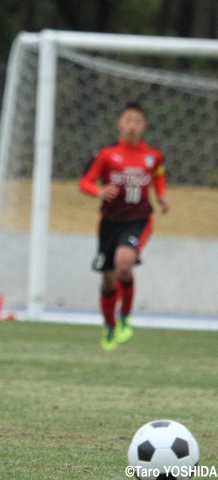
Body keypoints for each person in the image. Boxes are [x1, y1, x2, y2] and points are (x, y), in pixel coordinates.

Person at [80, 101, 169, 351]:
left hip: (139, 219)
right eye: (128, 120)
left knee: (123, 263)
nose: (132, 126)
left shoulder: (152, 156)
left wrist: (161, 195)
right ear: (120, 123)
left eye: (137, 121)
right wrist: (99, 190)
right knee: (108, 280)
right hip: (109, 222)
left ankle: (125, 317)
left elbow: (159, 173)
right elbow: (85, 182)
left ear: (144, 126)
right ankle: (110, 326)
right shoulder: (107, 154)